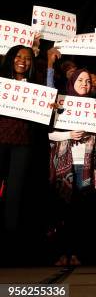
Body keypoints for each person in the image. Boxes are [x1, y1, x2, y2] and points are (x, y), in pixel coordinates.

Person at [48, 65, 96, 266]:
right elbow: (48, 134)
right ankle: (62, 253)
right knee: (63, 211)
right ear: (72, 82)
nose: (84, 84)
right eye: (80, 80)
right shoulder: (60, 103)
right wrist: (69, 134)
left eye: (87, 81)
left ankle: (76, 253)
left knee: (82, 212)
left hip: (87, 164)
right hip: (64, 166)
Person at [0, 45, 48, 264]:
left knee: (15, 195)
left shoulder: (36, 86)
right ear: (10, 59)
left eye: (27, 58)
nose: (23, 61)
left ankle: (10, 247)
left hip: (23, 144)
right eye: (18, 56)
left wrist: (49, 107)